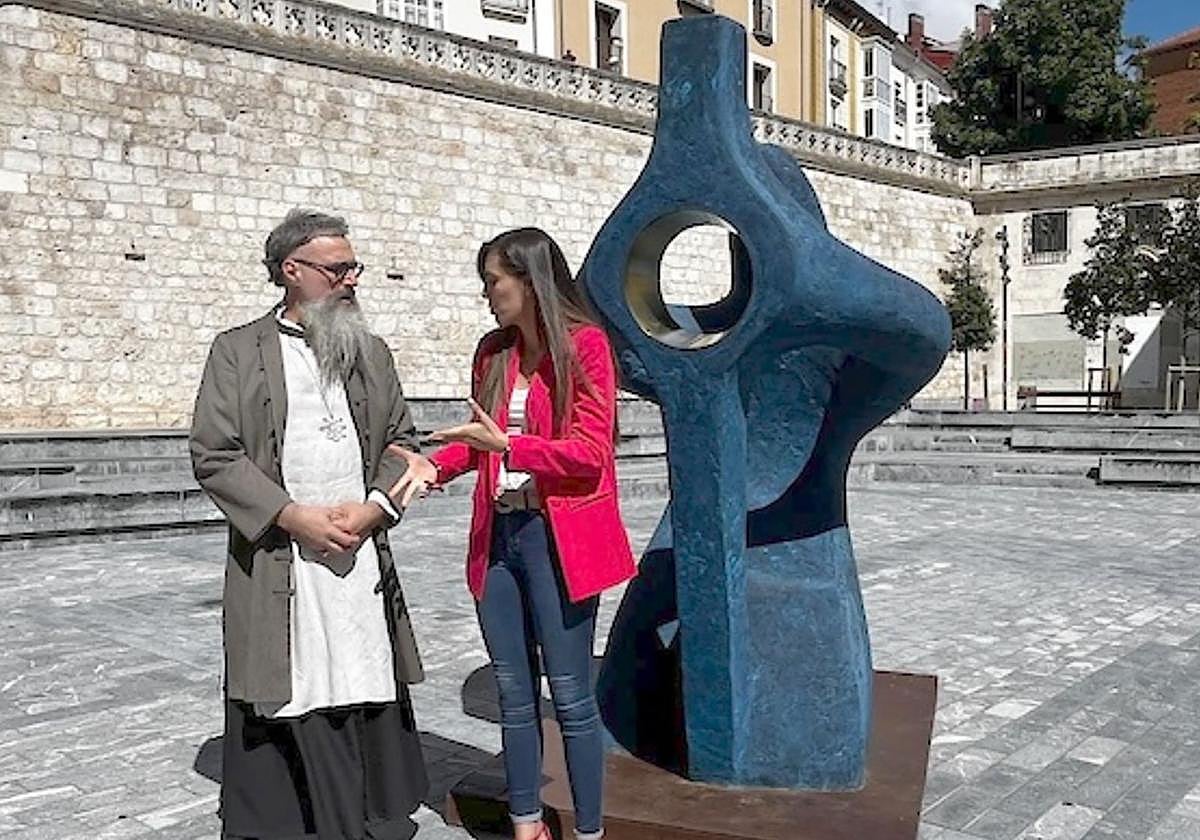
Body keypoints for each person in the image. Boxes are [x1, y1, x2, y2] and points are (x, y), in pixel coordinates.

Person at [389, 228, 636, 840]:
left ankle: (589, 832)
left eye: (493, 281)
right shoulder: (493, 353)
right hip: (500, 537)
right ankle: (526, 824)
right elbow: (479, 447)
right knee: (512, 691)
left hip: (560, 542)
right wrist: (434, 464)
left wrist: (511, 446)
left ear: (529, 279)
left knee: (573, 698)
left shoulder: (587, 347)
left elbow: (589, 452)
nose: (486, 294)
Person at [190, 208, 427, 840]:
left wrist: (377, 507)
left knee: (362, 677)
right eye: (337, 268)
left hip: (358, 554)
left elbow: (403, 443)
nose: (351, 280)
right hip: (282, 556)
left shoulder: (370, 352)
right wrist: (292, 516)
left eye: (354, 267)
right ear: (292, 271)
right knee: (294, 681)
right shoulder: (237, 351)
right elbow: (215, 453)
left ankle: (369, 816)